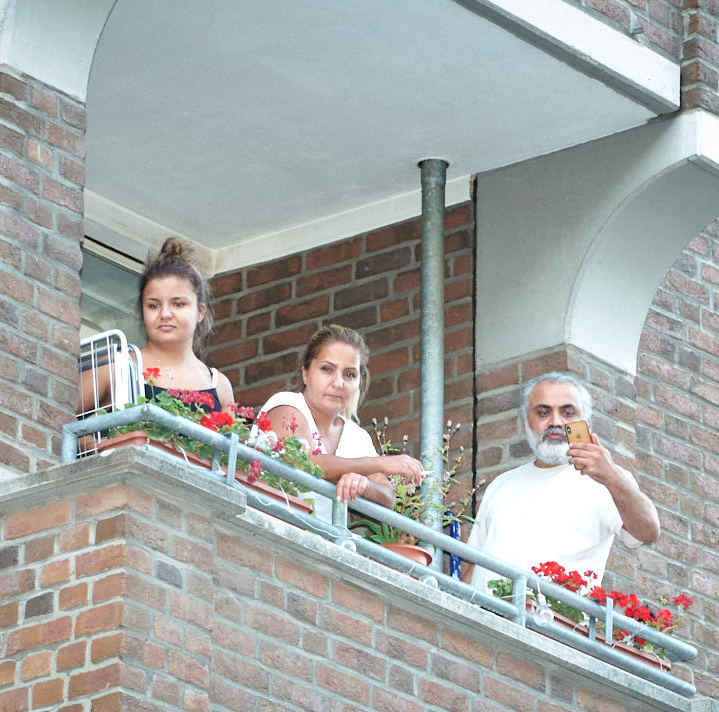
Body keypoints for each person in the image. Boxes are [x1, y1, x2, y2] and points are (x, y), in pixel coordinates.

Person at [464, 372, 659, 593]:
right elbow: (475, 565)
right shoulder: (501, 484)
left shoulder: (605, 480)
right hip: (485, 619)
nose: (556, 422)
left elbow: (648, 531)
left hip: (551, 622)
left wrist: (611, 476)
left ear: (584, 422)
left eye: (568, 413)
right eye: (543, 412)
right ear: (526, 420)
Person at [259, 324, 424, 508]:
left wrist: (364, 484)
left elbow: (388, 497)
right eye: (327, 369)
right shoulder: (286, 404)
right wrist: (380, 463)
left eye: (349, 374)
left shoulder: (356, 436)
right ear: (305, 373)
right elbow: (307, 463)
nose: (338, 383)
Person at [80, 238, 234, 415]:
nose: (165, 314)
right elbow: (60, 419)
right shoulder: (118, 366)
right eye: (153, 305)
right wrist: (92, 442)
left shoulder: (218, 385)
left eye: (178, 304)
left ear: (200, 312)